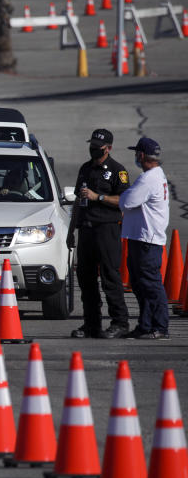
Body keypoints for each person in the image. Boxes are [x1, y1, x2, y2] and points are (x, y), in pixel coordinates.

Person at [67, 129, 129, 338]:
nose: (93, 149)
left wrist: (98, 197)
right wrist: (71, 231)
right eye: (91, 145)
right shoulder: (85, 169)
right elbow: (77, 201)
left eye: (98, 147)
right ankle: (91, 323)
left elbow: (124, 201)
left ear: (108, 148)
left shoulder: (117, 170)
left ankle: (119, 322)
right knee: (86, 279)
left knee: (110, 277)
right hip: (86, 230)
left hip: (107, 229)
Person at [118, 137, 170, 339]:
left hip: (146, 240)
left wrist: (124, 196)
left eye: (136, 153)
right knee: (140, 284)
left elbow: (127, 201)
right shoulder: (156, 176)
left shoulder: (148, 178)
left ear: (141, 155)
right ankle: (146, 325)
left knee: (150, 284)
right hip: (143, 238)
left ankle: (159, 326)